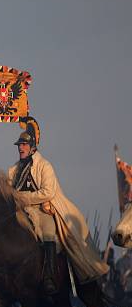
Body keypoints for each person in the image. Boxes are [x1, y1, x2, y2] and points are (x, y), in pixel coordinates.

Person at [8, 117, 108, 294]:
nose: (20, 148)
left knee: (48, 233)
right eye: (19, 145)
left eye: (23, 145)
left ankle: (49, 277)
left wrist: (24, 197)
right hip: (20, 211)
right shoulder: (14, 169)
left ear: (32, 147)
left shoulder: (44, 166)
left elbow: (48, 192)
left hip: (42, 210)